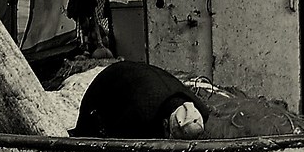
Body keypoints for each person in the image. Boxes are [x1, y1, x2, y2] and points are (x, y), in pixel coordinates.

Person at [71, 60, 205, 141]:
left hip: (144, 81)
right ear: (165, 124)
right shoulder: (140, 113)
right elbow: (120, 143)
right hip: (108, 84)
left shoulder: (201, 112)